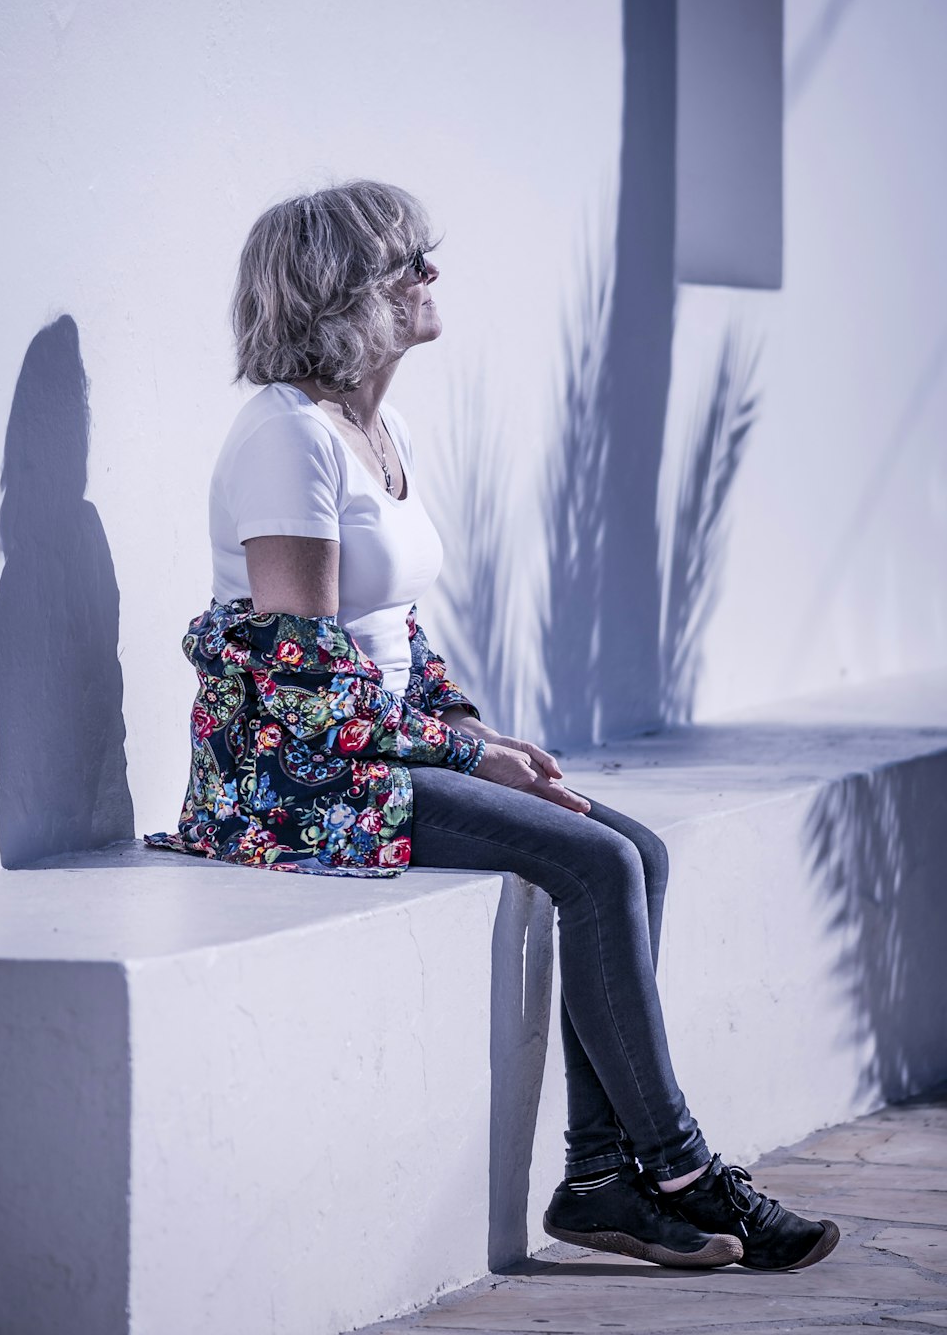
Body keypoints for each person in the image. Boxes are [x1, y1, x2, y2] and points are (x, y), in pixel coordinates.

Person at [146, 179, 840, 1272]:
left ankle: (600, 1178)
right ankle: (678, 1166)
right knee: (597, 863)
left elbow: (394, 632)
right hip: (300, 777)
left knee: (636, 850)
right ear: (346, 294)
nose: (432, 276)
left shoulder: (378, 427)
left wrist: (474, 727)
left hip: (378, 742)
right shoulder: (287, 441)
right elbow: (301, 675)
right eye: (410, 261)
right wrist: (470, 754)